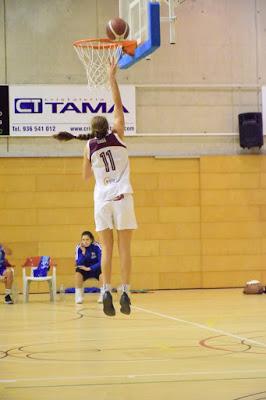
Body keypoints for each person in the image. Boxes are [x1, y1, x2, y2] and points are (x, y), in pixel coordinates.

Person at [54, 58, 137, 316]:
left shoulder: (88, 147)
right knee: (125, 248)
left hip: (102, 199)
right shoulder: (119, 132)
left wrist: (91, 160)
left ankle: (105, 291)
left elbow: (85, 178)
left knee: (107, 248)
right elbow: (118, 104)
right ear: (109, 126)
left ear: (92, 131)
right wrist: (111, 77)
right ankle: (125, 290)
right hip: (122, 196)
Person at [75, 230, 103, 304]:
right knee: (78, 273)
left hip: (96, 268)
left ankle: (103, 295)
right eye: (83, 240)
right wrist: (83, 252)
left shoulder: (97, 246)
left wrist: (90, 268)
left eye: (87, 239)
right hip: (84, 269)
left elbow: (101, 262)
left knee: (103, 274)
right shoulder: (79, 247)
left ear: (91, 240)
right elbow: (79, 263)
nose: (85, 242)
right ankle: (79, 296)